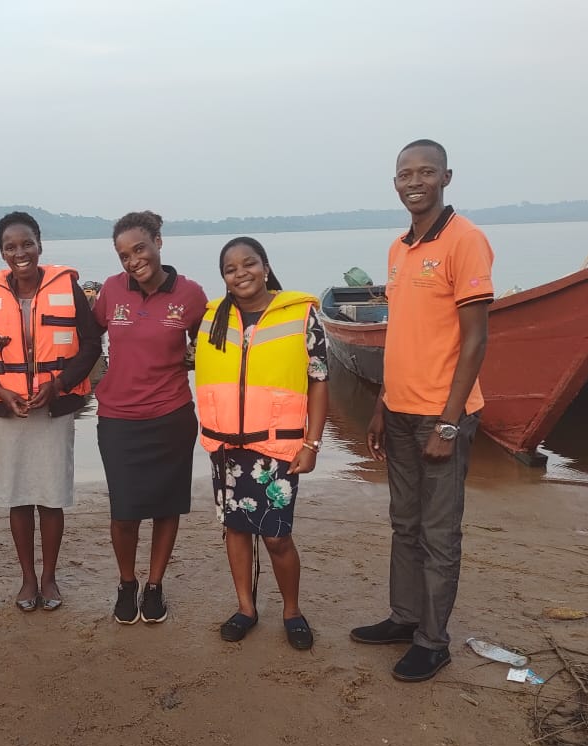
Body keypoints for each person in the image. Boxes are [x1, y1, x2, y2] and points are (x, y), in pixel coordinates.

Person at [351, 139, 492, 682]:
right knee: (403, 524)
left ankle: (434, 641)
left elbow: (475, 340)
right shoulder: (397, 248)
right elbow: (403, 334)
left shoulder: (466, 241)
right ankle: (405, 617)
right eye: (406, 173)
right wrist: (383, 404)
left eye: (426, 172)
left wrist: (450, 421)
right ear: (395, 183)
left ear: (446, 178)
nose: (415, 181)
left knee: (439, 532)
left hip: (443, 416)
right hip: (402, 410)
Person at [196, 237, 329, 649]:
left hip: (277, 449)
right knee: (234, 529)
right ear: (223, 278)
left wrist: (313, 443)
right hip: (226, 447)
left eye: (248, 263)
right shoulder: (213, 318)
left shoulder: (301, 315)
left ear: (266, 266)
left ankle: (292, 610)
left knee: (276, 536)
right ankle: (246, 608)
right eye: (230, 269)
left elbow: (320, 380)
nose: (241, 273)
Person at [0, 212, 101, 611]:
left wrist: (58, 384)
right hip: (10, 412)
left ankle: (49, 577)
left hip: (54, 409)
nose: (20, 252)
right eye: (11, 246)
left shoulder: (69, 288)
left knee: (51, 496)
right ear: (1, 252)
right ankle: (27, 578)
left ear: (40, 245)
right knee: (18, 498)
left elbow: (91, 346)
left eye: (27, 244)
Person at [92, 211, 207, 624]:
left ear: (159, 241)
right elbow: (88, 342)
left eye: (139, 248)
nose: (132, 260)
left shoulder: (190, 295)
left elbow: (211, 350)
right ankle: (127, 582)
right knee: (124, 511)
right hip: (118, 418)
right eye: (123, 254)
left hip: (171, 416)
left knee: (165, 505)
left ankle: (155, 584)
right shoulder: (110, 290)